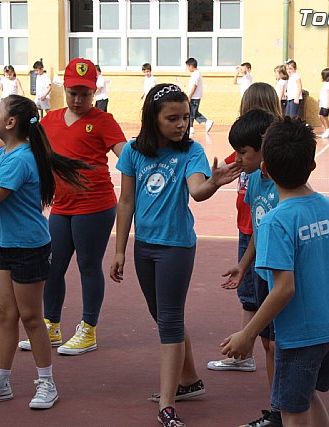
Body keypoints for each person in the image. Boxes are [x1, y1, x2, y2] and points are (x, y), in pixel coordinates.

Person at [110, 83, 240, 427]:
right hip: (144, 246)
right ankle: (190, 381)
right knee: (164, 316)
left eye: (185, 117)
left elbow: (197, 190)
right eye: (172, 118)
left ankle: (167, 405)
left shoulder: (191, 152)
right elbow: (126, 202)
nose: (181, 124)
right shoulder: (133, 152)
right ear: (153, 118)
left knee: (168, 321)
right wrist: (120, 249)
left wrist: (214, 182)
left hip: (176, 247)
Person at [222, 116, 329, 427]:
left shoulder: (275, 221)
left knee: (293, 413)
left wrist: (247, 334)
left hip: (301, 334)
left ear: (265, 169)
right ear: (313, 165)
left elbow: (284, 288)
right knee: (308, 397)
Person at [0, 95, 90, 409]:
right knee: (5, 314)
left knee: (31, 317)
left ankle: (47, 382)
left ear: (10, 123)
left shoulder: (20, 159)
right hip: (5, 245)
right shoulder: (3, 154)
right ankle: (1, 381)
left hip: (28, 247)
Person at [17, 58, 127, 356]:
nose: (78, 100)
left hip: (95, 205)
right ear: (64, 89)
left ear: (94, 92)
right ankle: (51, 325)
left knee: (88, 265)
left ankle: (88, 329)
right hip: (62, 206)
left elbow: (126, 155)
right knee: (52, 266)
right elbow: (21, 144)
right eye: (73, 93)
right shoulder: (50, 120)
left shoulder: (103, 121)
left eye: (85, 94)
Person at [207, 82, 283, 375]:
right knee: (253, 296)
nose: (238, 158)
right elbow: (225, 169)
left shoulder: (278, 179)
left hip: (266, 241)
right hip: (252, 231)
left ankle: (249, 350)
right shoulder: (249, 168)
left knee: (269, 307)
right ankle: (248, 351)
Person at [218, 108, 283, 427]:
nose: (238, 158)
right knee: (269, 343)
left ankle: (286, 409)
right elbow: (258, 228)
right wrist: (244, 265)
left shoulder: (284, 186)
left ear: (263, 148)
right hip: (261, 272)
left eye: (243, 152)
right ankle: (278, 409)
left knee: (280, 345)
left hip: (281, 277)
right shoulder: (254, 181)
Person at [185, 57, 213, 135]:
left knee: (191, 112)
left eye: (187, 67)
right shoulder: (197, 73)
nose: (187, 69)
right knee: (194, 112)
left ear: (191, 66)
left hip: (194, 97)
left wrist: (190, 96)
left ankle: (192, 127)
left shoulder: (195, 74)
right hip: (196, 96)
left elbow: (194, 85)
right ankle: (205, 122)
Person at [318, 68, 329, 139]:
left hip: (326, 103)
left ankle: (327, 129)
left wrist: (327, 103)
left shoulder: (328, 84)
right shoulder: (326, 84)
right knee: (325, 116)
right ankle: (326, 130)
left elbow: (328, 94)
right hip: (323, 102)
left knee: (321, 116)